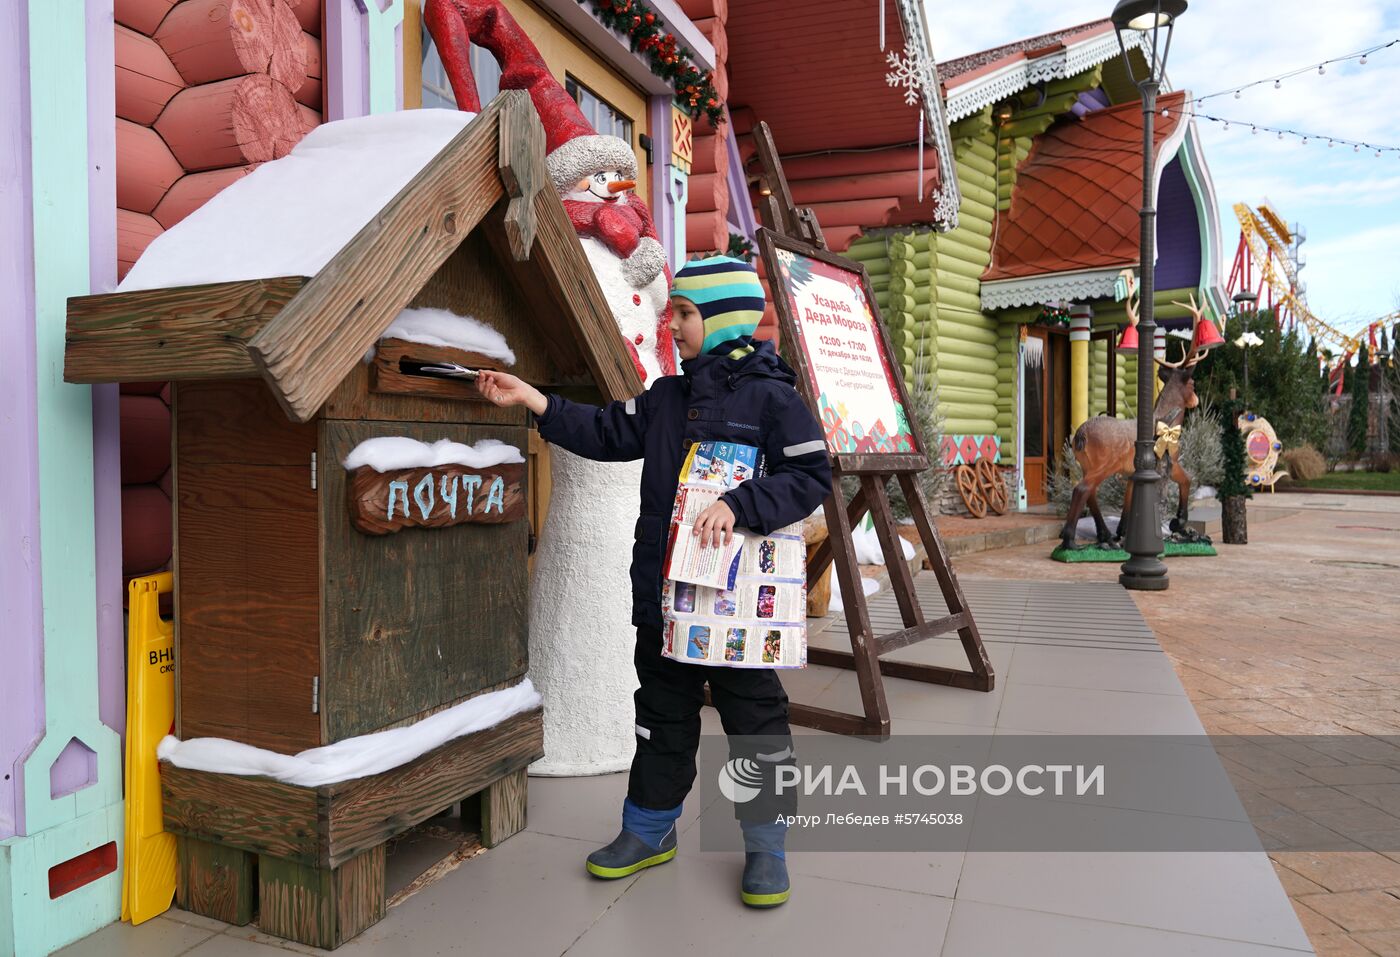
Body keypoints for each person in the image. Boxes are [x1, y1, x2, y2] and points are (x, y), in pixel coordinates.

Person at [477, 255, 831, 908]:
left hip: (735, 612)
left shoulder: (775, 399)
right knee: (660, 717)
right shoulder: (666, 396)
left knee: (756, 721)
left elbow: (811, 479)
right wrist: (536, 402)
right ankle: (648, 828)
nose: (676, 322)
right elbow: (607, 430)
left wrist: (742, 503)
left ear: (726, 319)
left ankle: (766, 841)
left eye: (689, 313)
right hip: (666, 601)